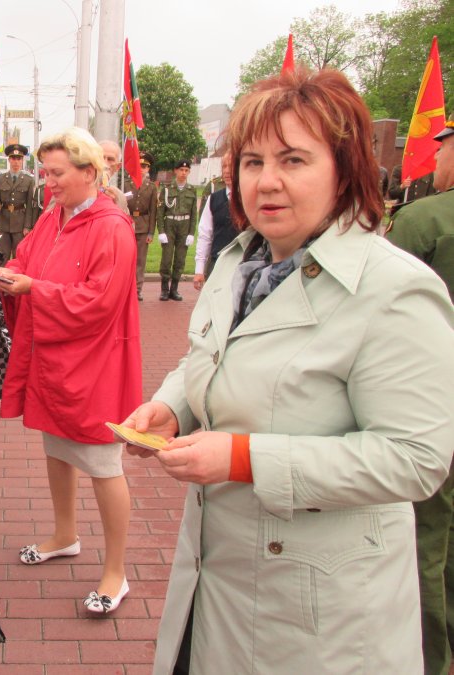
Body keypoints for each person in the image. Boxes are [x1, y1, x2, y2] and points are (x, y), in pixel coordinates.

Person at [123, 67, 454, 674]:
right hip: (216, 575)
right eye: (251, 162)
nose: (266, 182)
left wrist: (243, 459)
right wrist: (175, 404)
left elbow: (415, 458)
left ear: (345, 169)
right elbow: (214, 354)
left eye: (294, 160)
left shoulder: (395, 289)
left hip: (320, 614)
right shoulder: (240, 262)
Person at [0, 127, 142, 615]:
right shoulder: (55, 215)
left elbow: (100, 300)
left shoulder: (111, 226)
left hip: (94, 367)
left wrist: (33, 289)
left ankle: (116, 572)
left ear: (88, 172)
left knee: (101, 464)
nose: (46, 182)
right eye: (45, 172)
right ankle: (64, 534)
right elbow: (28, 258)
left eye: (56, 173)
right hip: (56, 361)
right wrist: (7, 273)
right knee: (57, 449)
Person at [386, 115, 454, 675]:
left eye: (442, 150)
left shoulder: (424, 219)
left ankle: (430, 658)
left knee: (426, 537)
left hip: (431, 400)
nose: (435, 161)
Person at [156, 159, 198, 301]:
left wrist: (192, 233)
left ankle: (174, 289)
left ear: (189, 172)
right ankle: (164, 289)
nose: (183, 173)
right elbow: (160, 212)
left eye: (186, 171)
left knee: (180, 259)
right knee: (167, 259)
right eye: (181, 170)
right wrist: (161, 231)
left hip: (184, 226)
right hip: (170, 225)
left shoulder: (191, 190)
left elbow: (194, 215)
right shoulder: (167, 189)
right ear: (175, 171)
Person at [193, 153, 235, 290]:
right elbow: (205, 235)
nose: (227, 171)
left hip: (243, 264)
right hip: (217, 263)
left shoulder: (250, 198)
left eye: (232, 166)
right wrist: (199, 269)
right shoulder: (214, 199)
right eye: (224, 166)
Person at [0, 143, 35, 259]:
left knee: (19, 256)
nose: (16, 162)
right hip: (4, 222)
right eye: (13, 158)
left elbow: (30, 206)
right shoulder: (0, 179)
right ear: (9, 160)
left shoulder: (28, 180)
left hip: (20, 224)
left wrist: (27, 226)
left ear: (22, 160)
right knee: (2, 256)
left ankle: (17, 277)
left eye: (19, 159)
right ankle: (1, 276)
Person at [127, 150, 158, 300]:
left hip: (144, 226)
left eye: (145, 167)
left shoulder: (151, 187)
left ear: (148, 169)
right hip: (128, 224)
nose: (142, 169)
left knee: (140, 260)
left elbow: (153, 211)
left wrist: (151, 232)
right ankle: (126, 286)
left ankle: (137, 288)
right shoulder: (126, 184)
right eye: (139, 166)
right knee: (126, 258)